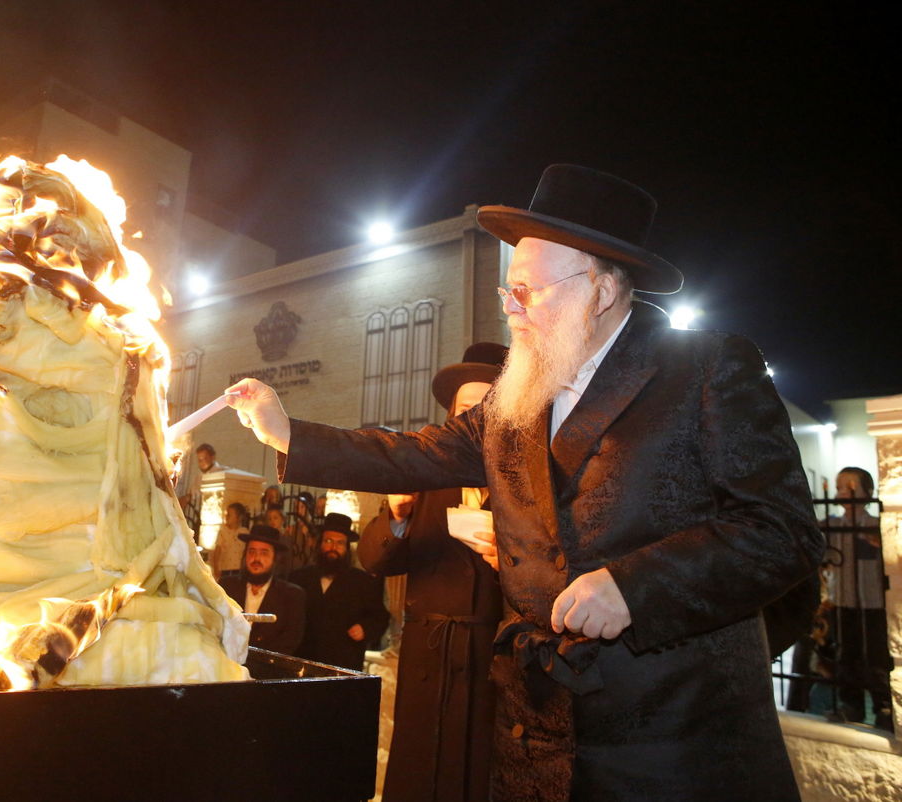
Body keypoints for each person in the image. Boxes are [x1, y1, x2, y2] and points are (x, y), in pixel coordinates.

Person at [228, 164, 824, 801]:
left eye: (529, 291)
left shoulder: (704, 369)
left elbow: (781, 532)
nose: (511, 307)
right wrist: (287, 433)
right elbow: (415, 454)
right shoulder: (521, 393)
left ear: (599, 290)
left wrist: (635, 587)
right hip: (535, 732)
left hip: (674, 736)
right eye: (507, 290)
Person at [358, 342, 507, 802]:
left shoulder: (522, 482)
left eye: (489, 406)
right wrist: (397, 513)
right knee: (420, 764)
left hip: (491, 651)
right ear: (451, 416)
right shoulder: (426, 474)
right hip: (428, 651)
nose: (477, 417)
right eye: (468, 408)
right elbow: (376, 561)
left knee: (479, 769)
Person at [825, 466, 891, 730]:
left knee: (876, 654)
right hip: (843, 598)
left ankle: (883, 706)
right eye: (839, 487)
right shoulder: (833, 525)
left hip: (873, 601)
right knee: (846, 653)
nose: (842, 492)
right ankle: (850, 705)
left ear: (867, 492)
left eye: (849, 487)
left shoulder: (876, 525)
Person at [290, 513, 390, 671]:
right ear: (320, 544)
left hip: (343, 663)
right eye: (328, 541)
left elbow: (380, 617)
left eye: (340, 543)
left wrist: (365, 629)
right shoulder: (299, 577)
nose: (333, 547)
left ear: (347, 548)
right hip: (303, 661)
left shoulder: (362, 582)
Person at [219, 524, 306, 656]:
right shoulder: (227, 587)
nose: (256, 559)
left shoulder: (292, 595)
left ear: (275, 558)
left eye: (264, 553)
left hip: (268, 670)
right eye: (252, 552)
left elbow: (290, 641)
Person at [209, 502, 249, 579]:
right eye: (226, 514)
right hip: (225, 570)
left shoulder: (245, 532)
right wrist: (216, 567)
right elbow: (217, 550)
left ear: (239, 518)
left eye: (229, 515)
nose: (226, 517)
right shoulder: (223, 532)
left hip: (239, 570)